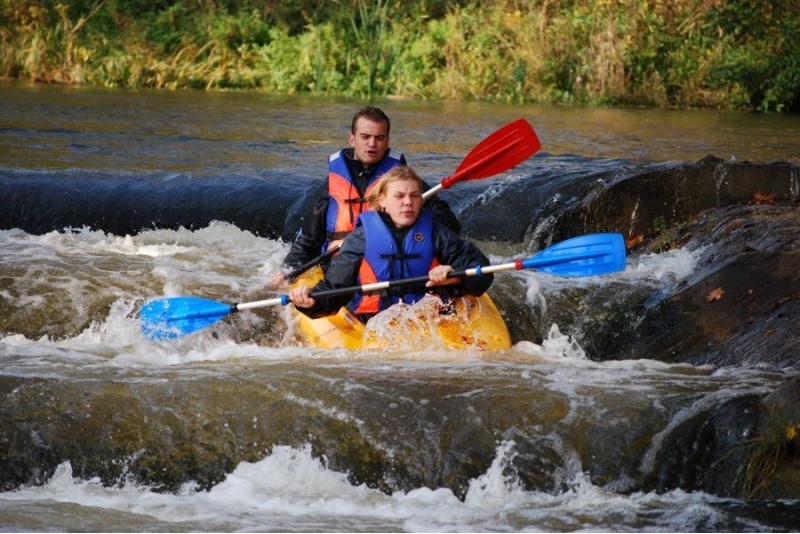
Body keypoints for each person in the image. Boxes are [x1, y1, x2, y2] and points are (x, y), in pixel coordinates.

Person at [273, 106, 461, 285]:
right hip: (343, 269)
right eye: (365, 136)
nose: (372, 143)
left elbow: (450, 226)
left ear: (387, 142)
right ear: (352, 139)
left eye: (379, 138)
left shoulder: (407, 186)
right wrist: (287, 270)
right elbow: (308, 242)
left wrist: (403, 226)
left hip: (394, 265)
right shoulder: (331, 187)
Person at [288, 165, 493, 323]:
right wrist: (310, 303)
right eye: (399, 196)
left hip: (430, 319)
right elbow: (335, 289)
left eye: (414, 195)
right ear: (383, 201)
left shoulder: (437, 232)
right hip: (376, 321)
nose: (408, 202)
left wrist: (455, 276)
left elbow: (482, 271)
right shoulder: (361, 239)